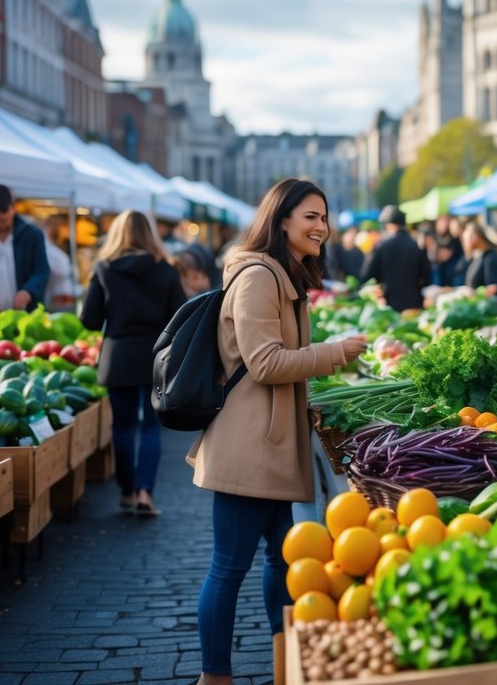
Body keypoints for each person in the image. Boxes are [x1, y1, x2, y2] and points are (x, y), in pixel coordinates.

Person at [188, 179, 367, 685]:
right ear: (281, 219)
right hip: (249, 447)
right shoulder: (258, 277)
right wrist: (335, 353)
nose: (322, 227)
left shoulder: (282, 275)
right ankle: (214, 677)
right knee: (228, 566)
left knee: (285, 561)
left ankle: (285, 664)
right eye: (311, 216)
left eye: (325, 218)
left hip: (272, 444)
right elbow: (264, 363)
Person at [80, 210, 187, 515]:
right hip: (155, 358)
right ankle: (144, 493)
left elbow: (90, 320)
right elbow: (181, 316)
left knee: (123, 426)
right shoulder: (165, 269)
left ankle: (127, 490)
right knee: (151, 428)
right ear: (150, 233)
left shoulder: (104, 269)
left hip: (118, 357)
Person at [0, 184, 49, 338]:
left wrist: (27, 292)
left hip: (24, 320)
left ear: (13, 209)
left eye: (2, 220)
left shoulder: (33, 235)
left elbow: (42, 270)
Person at [360, 205, 431, 311]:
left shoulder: (381, 246)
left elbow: (366, 276)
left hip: (387, 307)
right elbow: (427, 277)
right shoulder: (415, 246)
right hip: (413, 306)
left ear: (389, 225)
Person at [461, 221, 497, 292]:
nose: (464, 243)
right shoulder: (477, 257)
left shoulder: (491, 258)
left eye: (466, 238)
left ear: (474, 237)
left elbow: (491, 289)